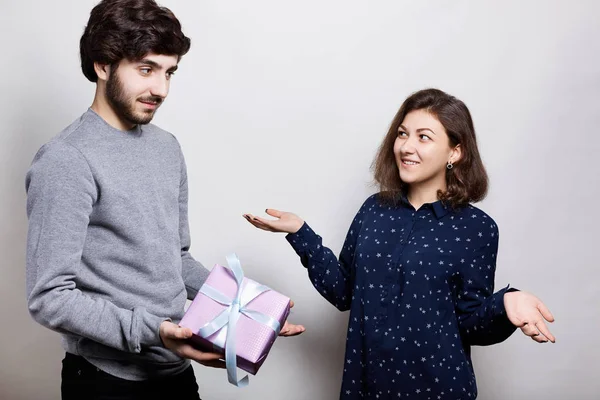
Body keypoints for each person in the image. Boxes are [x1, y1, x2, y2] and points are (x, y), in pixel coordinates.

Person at [25, 1, 304, 399]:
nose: (161, 88)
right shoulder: (66, 160)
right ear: (102, 66)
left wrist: (251, 308)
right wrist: (153, 331)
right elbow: (49, 298)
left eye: (169, 72)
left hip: (174, 369)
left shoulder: (166, 148)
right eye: (146, 69)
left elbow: (175, 259)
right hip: (106, 380)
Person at [243, 88, 555, 399]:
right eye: (402, 134)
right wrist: (300, 232)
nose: (406, 146)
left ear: (455, 152)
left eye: (424, 137)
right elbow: (343, 292)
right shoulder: (373, 210)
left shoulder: (477, 228)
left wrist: (506, 304)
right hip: (366, 388)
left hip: (438, 390)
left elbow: (471, 323)